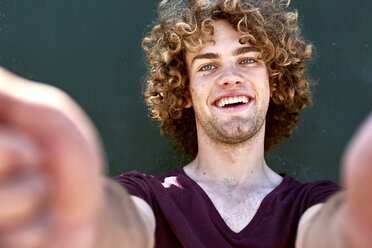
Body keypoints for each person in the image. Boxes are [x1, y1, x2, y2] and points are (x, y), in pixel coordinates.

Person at [0, 0, 371, 247]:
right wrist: (80, 222)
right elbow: (119, 223)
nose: (230, 77)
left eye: (248, 60)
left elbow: (330, 232)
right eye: (208, 65)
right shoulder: (148, 197)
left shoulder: (310, 205)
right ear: (183, 92)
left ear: (274, 81)